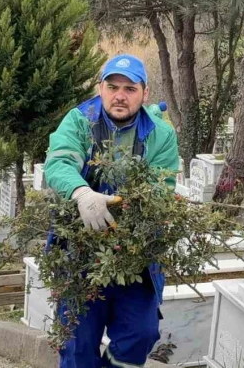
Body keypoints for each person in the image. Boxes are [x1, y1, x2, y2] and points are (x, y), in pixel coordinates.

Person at [44, 54, 178, 368]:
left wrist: (122, 206)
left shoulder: (160, 133)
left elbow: (161, 189)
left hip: (134, 254)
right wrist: (82, 193)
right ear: (101, 88)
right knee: (78, 343)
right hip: (80, 253)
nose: (120, 95)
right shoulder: (80, 120)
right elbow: (60, 162)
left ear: (144, 94)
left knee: (141, 334)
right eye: (113, 86)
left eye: (130, 89)